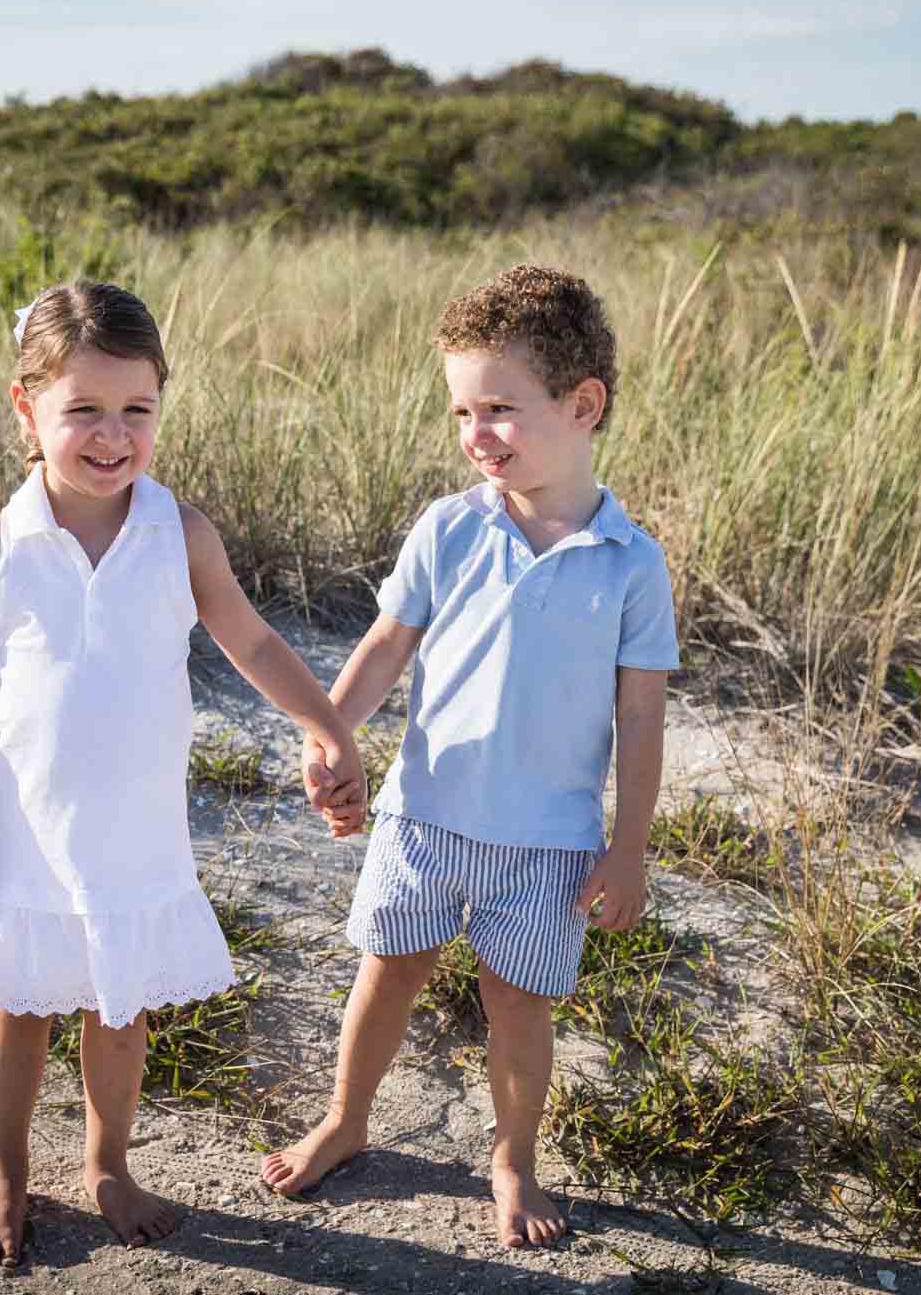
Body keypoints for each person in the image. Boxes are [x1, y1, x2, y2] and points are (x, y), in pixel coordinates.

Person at [0, 281, 365, 1269]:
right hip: (29, 830)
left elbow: (250, 640)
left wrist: (325, 721)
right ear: (24, 409)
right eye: (82, 409)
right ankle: (3, 1174)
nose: (111, 435)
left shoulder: (180, 532)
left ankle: (108, 1164)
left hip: (133, 827)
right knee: (20, 1006)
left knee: (116, 1009)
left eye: (137, 410)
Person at [266, 263, 677, 1250]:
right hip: (423, 812)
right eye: (461, 410)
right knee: (386, 968)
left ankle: (512, 1157)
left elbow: (641, 720)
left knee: (517, 1006)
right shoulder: (449, 528)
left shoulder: (630, 561)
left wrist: (626, 850)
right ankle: (346, 1119)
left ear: (583, 406)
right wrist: (331, 733)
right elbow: (382, 649)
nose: (475, 433)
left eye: (499, 407)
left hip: (546, 838)